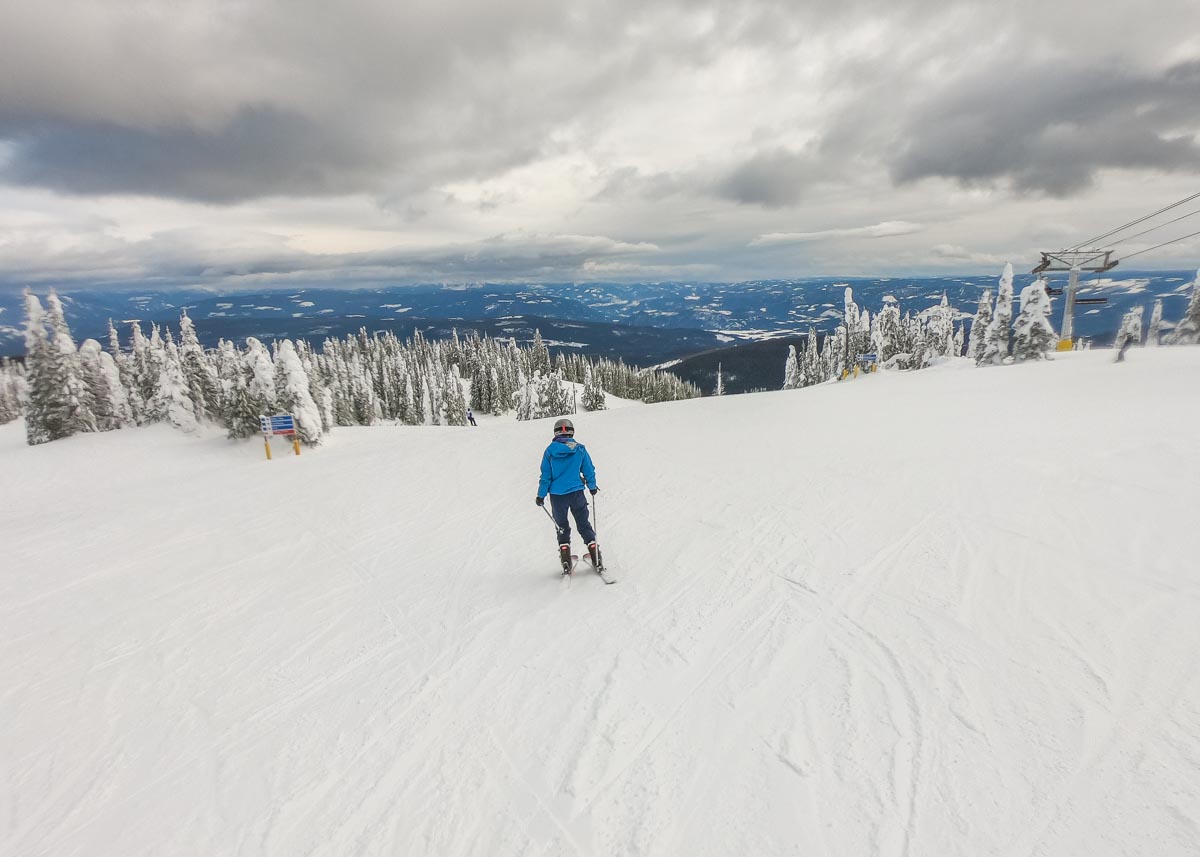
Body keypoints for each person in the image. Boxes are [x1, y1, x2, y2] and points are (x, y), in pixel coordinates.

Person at [535, 418, 600, 571]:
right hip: (577, 493)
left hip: (557, 497)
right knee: (584, 524)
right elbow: (589, 470)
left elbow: (546, 476)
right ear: (572, 432)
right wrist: (592, 486)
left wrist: (541, 495)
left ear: (555, 433)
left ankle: (566, 561)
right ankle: (596, 557)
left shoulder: (550, 451)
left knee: (562, 526)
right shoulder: (580, 449)